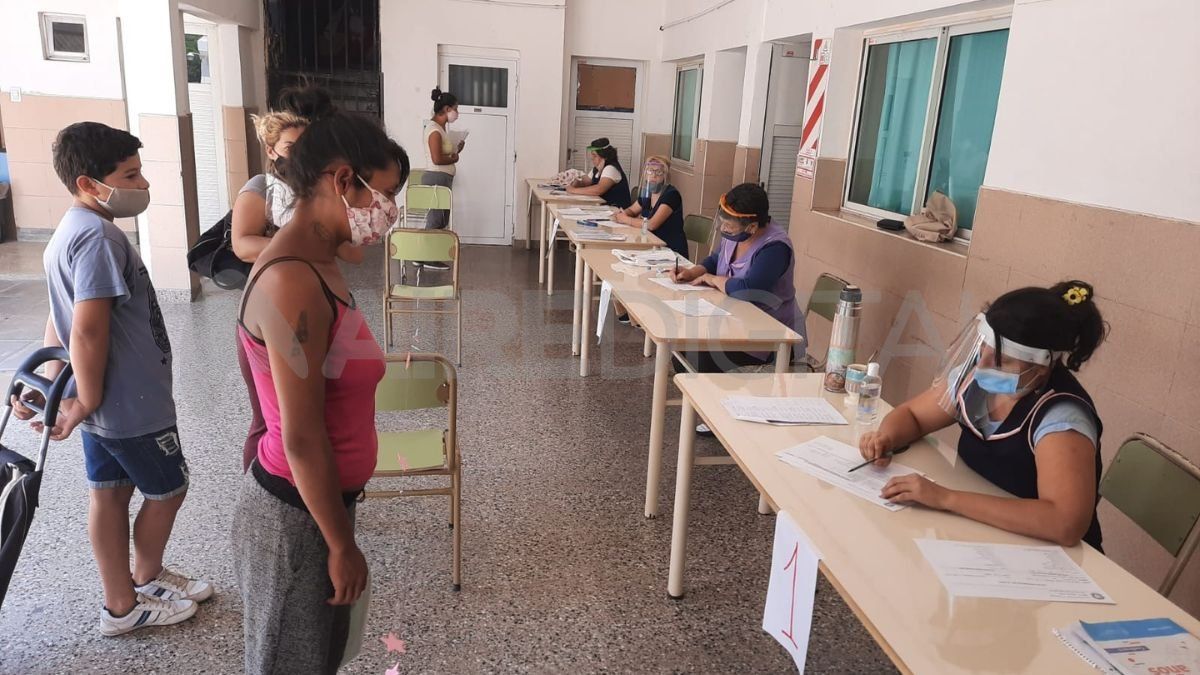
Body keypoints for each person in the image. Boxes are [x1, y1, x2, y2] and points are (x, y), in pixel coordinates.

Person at [11, 122, 210, 636]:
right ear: (87, 184)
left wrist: (61, 389)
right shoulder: (97, 237)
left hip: (103, 403)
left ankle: (124, 598)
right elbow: (90, 327)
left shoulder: (70, 232)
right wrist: (87, 396)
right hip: (128, 404)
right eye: (130, 175)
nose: (142, 185)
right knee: (168, 490)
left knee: (109, 493)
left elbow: (62, 322)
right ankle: (138, 586)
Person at [234, 86, 409, 673]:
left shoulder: (323, 262)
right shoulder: (292, 282)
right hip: (296, 519)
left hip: (325, 504)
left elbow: (331, 374)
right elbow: (301, 436)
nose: (390, 210)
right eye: (384, 194)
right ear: (343, 182)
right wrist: (339, 543)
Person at [858, 281, 1108, 549]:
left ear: (1042, 365)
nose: (983, 365)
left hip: (1046, 556)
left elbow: (1064, 523)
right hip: (980, 533)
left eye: (1002, 360)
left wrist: (945, 499)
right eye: (982, 349)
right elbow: (913, 416)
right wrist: (885, 438)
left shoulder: (1061, 418)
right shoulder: (979, 382)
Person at [231, 89, 363, 473]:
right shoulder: (260, 188)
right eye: (290, 145)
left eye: (304, 145)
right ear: (273, 150)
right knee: (269, 419)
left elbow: (351, 251)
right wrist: (298, 246)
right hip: (270, 312)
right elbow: (242, 244)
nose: (297, 152)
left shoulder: (318, 192)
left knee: (319, 409)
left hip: (319, 306)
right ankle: (259, 485)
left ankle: (321, 479)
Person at [669, 183, 805, 373]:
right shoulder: (735, 235)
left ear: (751, 227)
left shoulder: (775, 248)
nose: (723, 229)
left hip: (766, 336)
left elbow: (748, 290)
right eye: (722, 223)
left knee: (697, 358)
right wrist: (694, 272)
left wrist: (712, 279)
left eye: (729, 227)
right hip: (731, 320)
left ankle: (711, 400)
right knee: (683, 348)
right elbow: (717, 258)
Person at [421, 87, 464, 271]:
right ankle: (425, 257)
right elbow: (437, 158)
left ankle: (430, 256)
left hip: (443, 178)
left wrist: (456, 149)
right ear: (446, 109)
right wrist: (455, 158)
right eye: (455, 108)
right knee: (435, 219)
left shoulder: (441, 129)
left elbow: (444, 154)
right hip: (436, 178)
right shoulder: (434, 130)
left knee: (441, 219)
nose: (457, 112)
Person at [612, 156, 688, 259]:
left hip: (670, 251)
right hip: (651, 246)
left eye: (658, 172)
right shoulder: (646, 192)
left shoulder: (671, 195)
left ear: (665, 175)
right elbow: (632, 210)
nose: (654, 176)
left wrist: (625, 219)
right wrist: (624, 213)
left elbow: (652, 225)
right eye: (650, 171)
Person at [566, 137, 632, 208]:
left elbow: (598, 189)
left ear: (604, 156)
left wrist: (573, 190)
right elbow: (586, 181)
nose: (592, 158)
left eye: (595, 155)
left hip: (617, 210)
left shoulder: (611, 168)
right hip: (604, 208)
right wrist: (577, 182)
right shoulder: (597, 169)